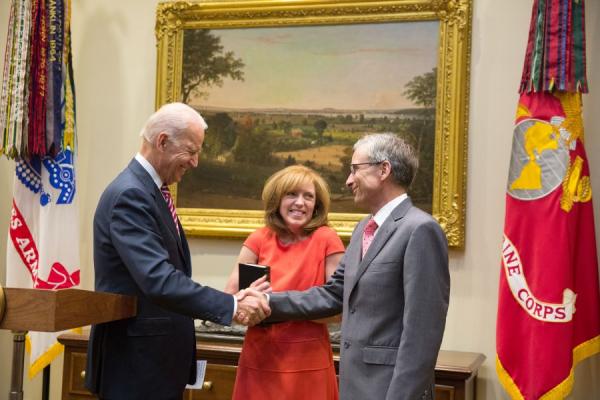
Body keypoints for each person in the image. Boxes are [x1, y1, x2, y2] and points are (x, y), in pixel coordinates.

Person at [85, 102, 270, 400]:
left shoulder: (149, 190)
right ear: (162, 141)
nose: (195, 162)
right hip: (135, 365)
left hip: (153, 364)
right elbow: (159, 279)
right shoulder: (131, 195)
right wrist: (232, 307)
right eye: (191, 151)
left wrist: (231, 300)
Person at [266, 133, 450, 400]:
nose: (348, 180)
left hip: (391, 390)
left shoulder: (420, 229)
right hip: (356, 386)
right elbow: (333, 294)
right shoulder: (364, 227)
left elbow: (422, 334)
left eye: (355, 170)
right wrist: (268, 302)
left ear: (383, 169)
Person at [224, 165, 345, 400]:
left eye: (308, 196)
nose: (300, 202)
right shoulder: (259, 239)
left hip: (308, 361)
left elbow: (339, 309)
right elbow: (232, 302)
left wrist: (270, 306)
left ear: (316, 205)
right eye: (292, 194)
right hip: (260, 358)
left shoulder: (327, 239)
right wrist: (248, 307)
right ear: (277, 200)